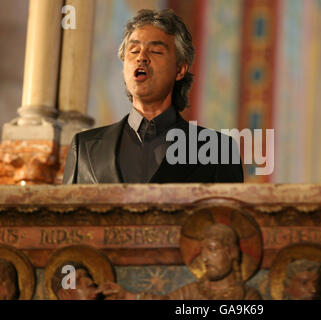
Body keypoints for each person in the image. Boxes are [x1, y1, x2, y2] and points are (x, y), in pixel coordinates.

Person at [63, 9, 243, 184]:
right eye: (133, 51)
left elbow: (228, 215)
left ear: (180, 69)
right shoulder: (85, 149)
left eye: (156, 51)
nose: (141, 57)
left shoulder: (218, 150)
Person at [98, 224, 260, 300]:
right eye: (202, 251)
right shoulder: (192, 292)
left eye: (212, 249)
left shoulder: (248, 297)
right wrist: (126, 295)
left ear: (231, 252)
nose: (205, 258)